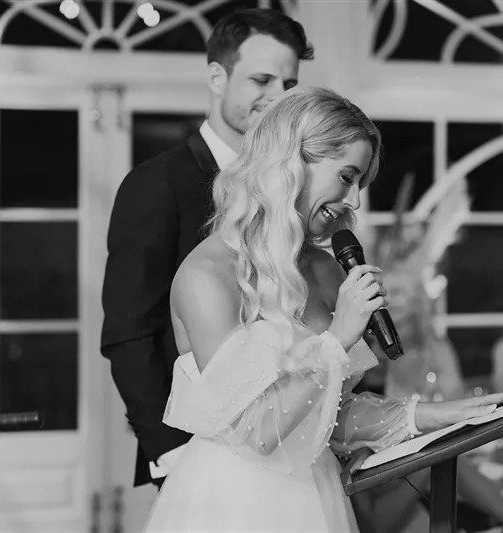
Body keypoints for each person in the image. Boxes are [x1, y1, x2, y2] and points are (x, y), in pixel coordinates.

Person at [142, 86, 503, 532]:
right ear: (292, 163)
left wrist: (437, 415)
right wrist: (337, 338)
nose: (354, 200)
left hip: (317, 498)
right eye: (347, 177)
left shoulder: (321, 269)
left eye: (360, 184)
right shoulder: (208, 276)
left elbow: (329, 415)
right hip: (234, 504)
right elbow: (258, 431)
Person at [100, 8, 314, 488]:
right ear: (217, 77)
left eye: (289, 83)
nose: (278, 97)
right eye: (261, 79)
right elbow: (129, 335)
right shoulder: (157, 183)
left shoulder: (291, 188)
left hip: (285, 440)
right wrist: (170, 453)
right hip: (193, 450)